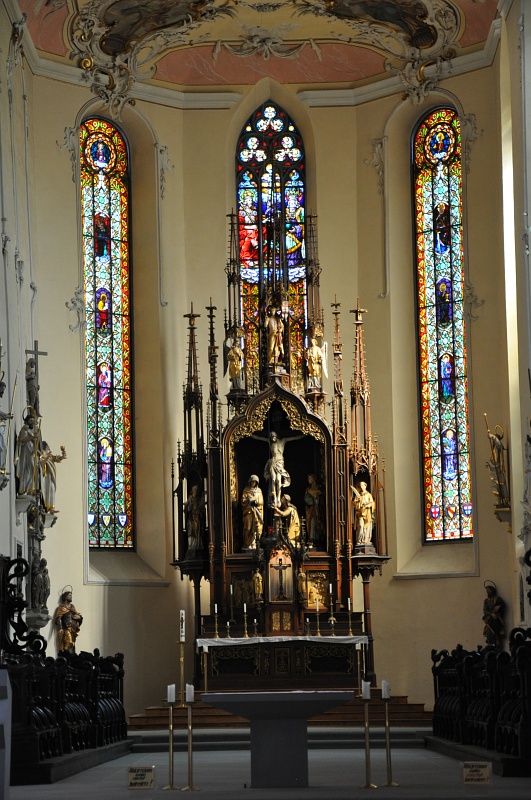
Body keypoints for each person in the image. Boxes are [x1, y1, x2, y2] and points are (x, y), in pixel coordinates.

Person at [256, 429, 304, 508]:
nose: (272, 439)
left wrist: (302, 435)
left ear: (276, 436)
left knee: (278, 480)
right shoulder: (270, 442)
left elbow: (294, 438)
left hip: (280, 462)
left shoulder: (282, 441)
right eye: (271, 438)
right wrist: (252, 435)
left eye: (273, 437)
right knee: (273, 479)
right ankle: (274, 497)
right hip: (273, 462)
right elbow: (260, 438)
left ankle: (278, 498)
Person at [39, 441, 67, 513]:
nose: (49, 448)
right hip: (45, 478)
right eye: (48, 447)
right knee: (46, 491)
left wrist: (63, 455)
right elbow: (41, 464)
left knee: (52, 490)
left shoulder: (50, 456)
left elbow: (57, 458)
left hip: (51, 477)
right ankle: (46, 507)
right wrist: (47, 458)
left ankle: (51, 508)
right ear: (46, 447)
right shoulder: (41, 455)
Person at [15, 413, 39, 495]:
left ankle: (29, 489)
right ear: (27, 421)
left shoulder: (31, 430)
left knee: (32, 470)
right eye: (30, 421)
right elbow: (23, 440)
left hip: (30, 453)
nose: (32, 422)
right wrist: (33, 437)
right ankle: (23, 488)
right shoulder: (24, 428)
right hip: (25, 453)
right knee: (27, 470)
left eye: (33, 421)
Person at [241, 474, 263, 549]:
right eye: (252, 481)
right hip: (248, 512)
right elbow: (243, 501)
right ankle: (247, 543)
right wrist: (248, 500)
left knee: (256, 528)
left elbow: (261, 502)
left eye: (255, 482)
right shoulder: (246, 490)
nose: (253, 483)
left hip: (256, 512)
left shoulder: (259, 491)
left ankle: (254, 543)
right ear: (250, 482)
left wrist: (255, 500)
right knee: (247, 528)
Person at [482, 582, 505, 651]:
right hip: (489, 620)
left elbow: (502, 606)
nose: (488, 593)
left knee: (497, 635)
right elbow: (485, 610)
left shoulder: (498, 599)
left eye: (489, 591)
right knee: (489, 634)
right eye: (487, 591)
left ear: (492, 591)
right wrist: (491, 614)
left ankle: (498, 650)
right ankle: (490, 649)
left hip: (496, 620)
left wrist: (497, 609)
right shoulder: (486, 601)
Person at [352, 481, 375, 545]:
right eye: (360, 486)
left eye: (362, 485)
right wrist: (358, 501)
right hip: (360, 513)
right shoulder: (358, 495)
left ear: (365, 486)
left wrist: (368, 505)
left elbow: (372, 503)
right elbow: (354, 504)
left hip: (367, 513)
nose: (361, 487)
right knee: (361, 526)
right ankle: (359, 540)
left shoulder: (369, 495)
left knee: (367, 526)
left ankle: (366, 540)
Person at [185, 485, 205, 554]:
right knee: (191, 531)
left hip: (197, 518)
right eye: (194, 491)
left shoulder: (200, 499)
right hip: (191, 518)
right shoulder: (190, 499)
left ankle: (198, 546)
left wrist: (200, 512)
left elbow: (202, 509)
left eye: (196, 491)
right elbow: (187, 508)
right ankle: (191, 547)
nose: (195, 492)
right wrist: (189, 506)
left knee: (198, 531)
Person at [305, 474, 323, 544]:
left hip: (318, 508)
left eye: (310, 478)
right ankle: (312, 538)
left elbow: (321, 497)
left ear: (314, 479)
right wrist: (313, 500)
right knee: (311, 523)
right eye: (308, 478)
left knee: (317, 522)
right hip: (311, 508)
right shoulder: (308, 489)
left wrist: (317, 499)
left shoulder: (319, 487)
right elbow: (306, 499)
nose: (308, 480)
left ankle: (318, 539)